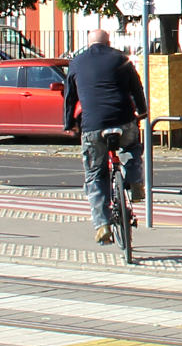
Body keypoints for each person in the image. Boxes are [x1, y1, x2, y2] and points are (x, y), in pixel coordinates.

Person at [62, 28, 147, 242]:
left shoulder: (77, 62)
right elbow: (136, 87)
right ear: (108, 42)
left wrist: (69, 123)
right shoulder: (120, 58)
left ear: (89, 43)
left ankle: (102, 226)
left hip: (93, 127)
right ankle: (136, 182)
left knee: (95, 175)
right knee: (133, 147)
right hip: (123, 121)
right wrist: (142, 110)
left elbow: (69, 97)